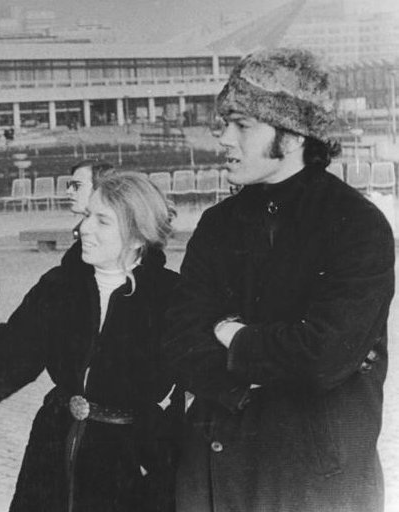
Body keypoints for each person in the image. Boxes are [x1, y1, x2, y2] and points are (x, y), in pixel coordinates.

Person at [163, 48, 395, 512]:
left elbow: (323, 356)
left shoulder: (357, 224)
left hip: (315, 482)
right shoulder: (217, 223)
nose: (223, 137)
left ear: (291, 137)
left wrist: (231, 335)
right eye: (224, 122)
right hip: (214, 477)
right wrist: (260, 360)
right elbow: (179, 341)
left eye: (242, 125)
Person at [0, 171, 182, 512]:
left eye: (102, 220)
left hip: (130, 464)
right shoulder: (60, 286)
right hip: (52, 453)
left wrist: (164, 457)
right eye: (88, 215)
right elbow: (9, 349)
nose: (84, 228)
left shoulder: (170, 297)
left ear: (137, 235)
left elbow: (193, 388)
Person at [66, 160, 114, 238]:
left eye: (77, 185)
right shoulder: (80, 229)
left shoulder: (115, 231)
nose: (68, 191)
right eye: (70, 185)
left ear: (99, 188)